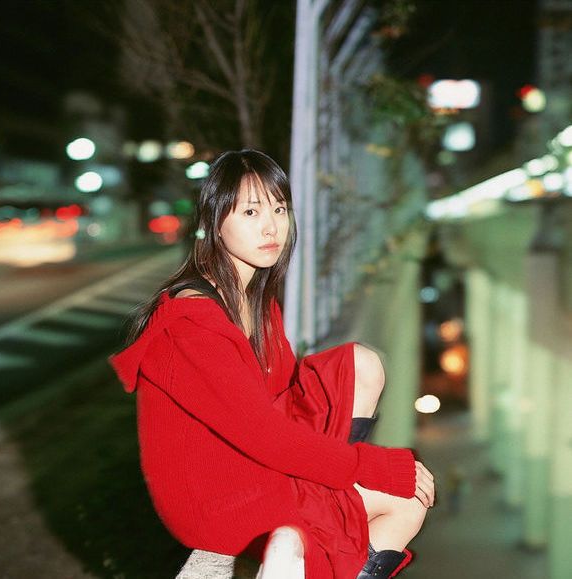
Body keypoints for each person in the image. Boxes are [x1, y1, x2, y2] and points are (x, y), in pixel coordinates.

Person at [109, 150, 435, 579]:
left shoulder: (255, 302)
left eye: (279, 209)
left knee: (361, 363)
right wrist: (373, 466)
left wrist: (348, 464)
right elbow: (267, 436)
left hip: (251, 467)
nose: (271, 227)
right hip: (218, 502)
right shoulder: (192, 323)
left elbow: (284, 404)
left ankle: (312, 535)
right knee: (407, 503)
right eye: (251, 211)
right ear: (214, 222)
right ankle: (312, 546)